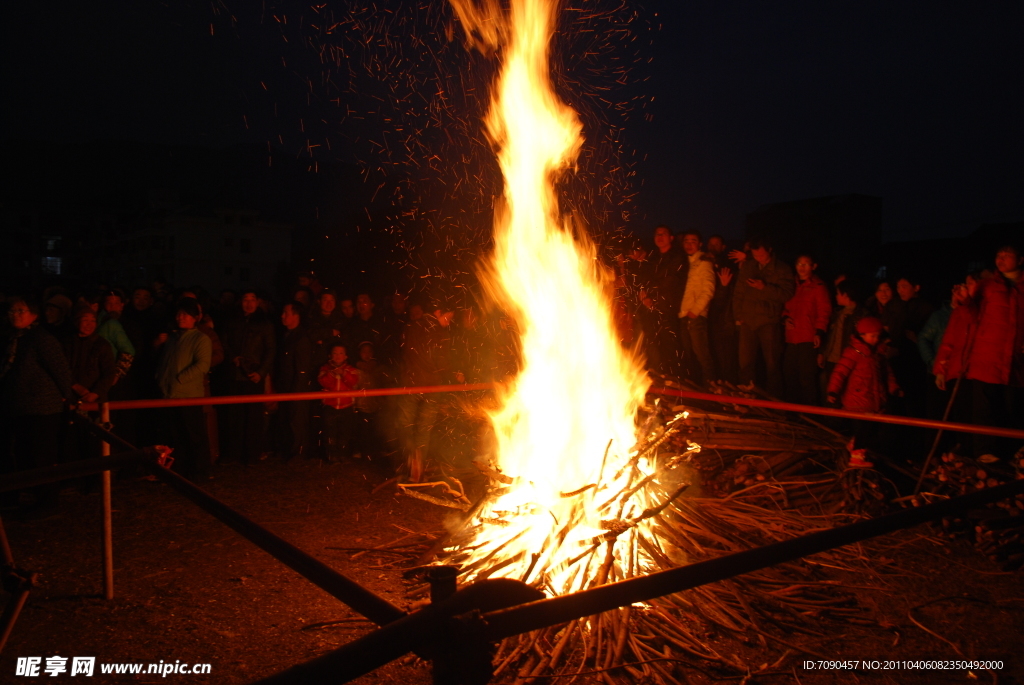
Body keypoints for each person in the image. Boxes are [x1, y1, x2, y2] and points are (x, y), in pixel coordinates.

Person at [0, 298, 75, 516]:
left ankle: (47, 501)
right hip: (19, 406)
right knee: (23, 453)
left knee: (41, 455)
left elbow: (60, 370)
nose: (15, 314)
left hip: (42, 407)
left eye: (20, 310)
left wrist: (68, 398)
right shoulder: (14, 338)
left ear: (34, 315)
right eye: (12, 310)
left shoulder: (41, 339)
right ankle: (27, 495)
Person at [963, 246, 1024, 456]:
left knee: (1012, 406)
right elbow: (973, 316)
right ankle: (985, 452)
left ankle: (1013, 452)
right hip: (987, 355)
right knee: (984, 407)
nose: (1001, 259)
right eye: (998, 255)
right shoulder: (987, 285)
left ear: (1020, 259)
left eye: (1007, 255)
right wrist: (965, 301)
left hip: (1015, 357)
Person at [826, 317, 902, 465]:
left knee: (873, 429)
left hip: (874, 401)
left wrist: (894, 389)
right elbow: (840, 372)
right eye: (872, 336)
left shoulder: (878, 355)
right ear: (862, 335)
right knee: (863, 428)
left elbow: (887, 374)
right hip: (858, 401)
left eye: (877, 336)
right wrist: (833, 391)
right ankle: (857, 457)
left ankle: (855, 446)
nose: (875, 339)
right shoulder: (853, 353)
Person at [154, 298, 213, 481]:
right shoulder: (173, 338)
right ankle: (179, 471)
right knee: (175, 435)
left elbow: (202, 365)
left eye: (186, 314)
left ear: (195, 318)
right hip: (169, 393)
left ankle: (201, 472)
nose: (181, 317)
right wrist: (162, 379)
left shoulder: (200, 338)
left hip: (189, 396)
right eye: (179, 313)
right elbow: (164, 362)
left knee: (194, 436)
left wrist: (179, 379)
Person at [732, 236, 795, 397]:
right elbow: (738, 292)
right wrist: (738, 314)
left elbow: (787, 294)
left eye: (761, 255)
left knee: (772, 365)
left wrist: (764, 287)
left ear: (769, 250)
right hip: (747, 320)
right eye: (755, 255)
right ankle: (746, 398)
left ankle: (774, 401)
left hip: (769, 321)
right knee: (745, 364)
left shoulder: (782, 269)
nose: (758, 258)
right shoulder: (748, 267)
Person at [221, 290, 276, 465]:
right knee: (234, 417)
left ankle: (252, 454)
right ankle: (233, 454)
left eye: (253, 300)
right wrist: (232, 357)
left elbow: (270, 350)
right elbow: (224, 342)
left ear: (258, 302)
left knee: (253, 417)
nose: (249, 303)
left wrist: (261, 372)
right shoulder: (232, 321)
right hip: (235, 375)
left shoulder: (265, 324)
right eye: (246, 299)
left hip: (254, 376)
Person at [632, 225, 687, 378]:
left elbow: (671, 281)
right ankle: (658, 378)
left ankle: (675, 380)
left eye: (663, 234)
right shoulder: (653, 257)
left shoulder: (677, 256)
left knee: (670, 347)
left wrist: (653, 298)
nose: (659, 236)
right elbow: (644, 277)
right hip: (649, 310)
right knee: (652, 346)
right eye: (657, 234)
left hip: (667, 308)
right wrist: (643, 294)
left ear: (671, 238)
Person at [782, 254, 831, 405]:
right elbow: (784, 306)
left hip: (808, 338)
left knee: (806, 378)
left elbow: (824, 311)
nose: (802, 268)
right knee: (790, 376)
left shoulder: (818, 287)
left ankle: (809, 415)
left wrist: (819, 332)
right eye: (799, 264)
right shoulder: (790, 284)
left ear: (813, 266)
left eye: (806, 264)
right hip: (791, 338)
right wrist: (784, 318)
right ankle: (793, 414)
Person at [273, 301, 313, 460]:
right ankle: (287, 449)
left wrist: (297, 391)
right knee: (285, 419)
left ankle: (297, 452)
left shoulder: (301, 338)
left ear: (296, 316)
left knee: (296, 421)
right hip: (285, 386)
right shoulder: (286, 336)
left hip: (295, 388)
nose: (282, 316)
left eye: (286, 313)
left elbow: (302, 368)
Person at [676, 230, 716, 385]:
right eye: (686, 241)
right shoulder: (684, 262)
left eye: (693, 241)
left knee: (702, 355)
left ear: (699, 244)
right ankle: (694, 387)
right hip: (683, 314)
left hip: (695, 316)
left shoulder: (704, 263)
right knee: (688, 356)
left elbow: (708, 289)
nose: (689, 244)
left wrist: (695, 311)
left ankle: (710, 388)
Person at [819, 279, 867, 394]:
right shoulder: (837, 314)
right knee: (830, 392)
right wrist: (823, 352)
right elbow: (830, 335)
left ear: (845, 295)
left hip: (846, 360)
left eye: (838, 293)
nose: (836, 296)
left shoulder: (860, 315)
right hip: (831, 359)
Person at [318, 343, 359, 462]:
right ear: (330, 355)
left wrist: (343, 374)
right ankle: (332, 457)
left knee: (344, 433)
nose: (338, 356)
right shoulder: (325, 369)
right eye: (335, 353)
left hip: (346, 407)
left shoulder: (351, 370)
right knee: (330, 433)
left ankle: (343, 456)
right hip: (330, 407)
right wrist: (332, 373)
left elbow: (353, 381)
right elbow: (323, 382)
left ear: (346, 356)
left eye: (341, 353)